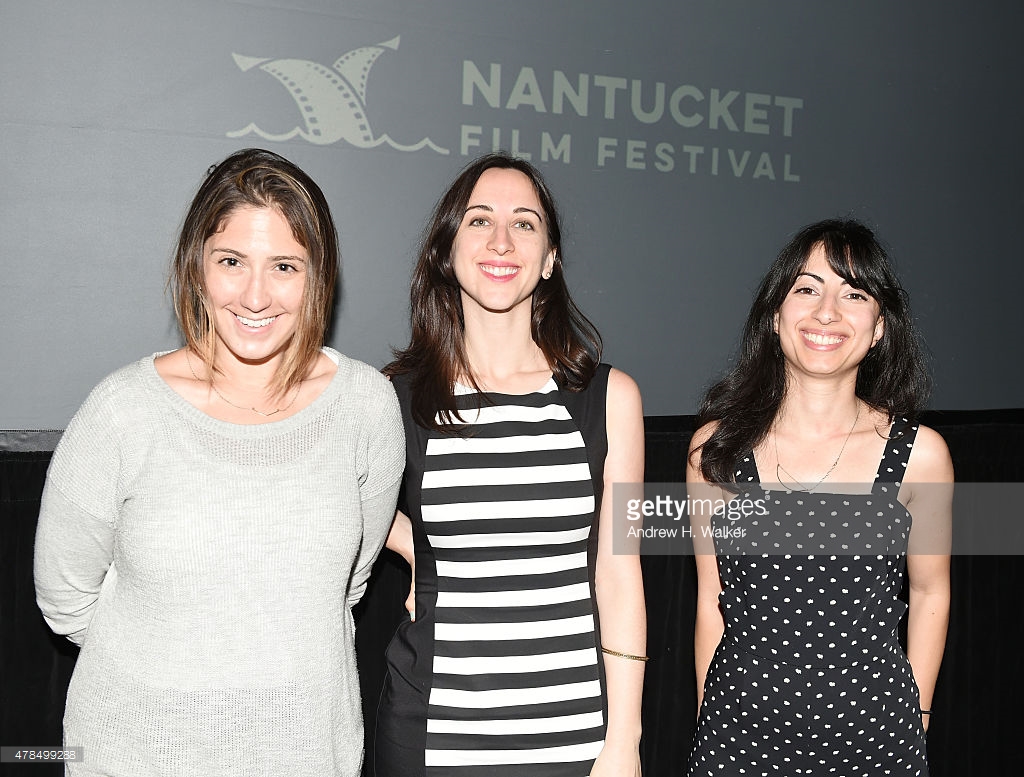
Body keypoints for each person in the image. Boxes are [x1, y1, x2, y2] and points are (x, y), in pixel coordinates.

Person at [34, 147, 405, 777]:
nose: (256, 295)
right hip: (138, 755)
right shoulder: (122, 411)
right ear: (196, 266)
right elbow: (65, 598)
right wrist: (180, 689)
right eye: (231, 261)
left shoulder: (365, 407)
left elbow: (345, 587)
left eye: (285, 266)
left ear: (319, 277)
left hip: (305, 754)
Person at [373, 152, 646, 777]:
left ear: (549, 259)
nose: (502, 240)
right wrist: (415, 544)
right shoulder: (397, 400)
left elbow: (622, 573)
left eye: (525, 223)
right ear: (447, 250)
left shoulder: (613, 400)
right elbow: (317, 489)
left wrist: (624, 739)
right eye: (479, 221)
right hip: (430, 732)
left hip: (573, 737)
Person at [686, 219, 953, 776]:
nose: (827, 312)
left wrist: (917, 718)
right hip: (740, 742)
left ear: (879, 327)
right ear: (776, 313)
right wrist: (709, 726)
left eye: (854, 293)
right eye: (807, 288)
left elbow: (930, 593)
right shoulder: (716, 451)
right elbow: (712, 601)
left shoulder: (920, 455)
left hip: (877, 744)